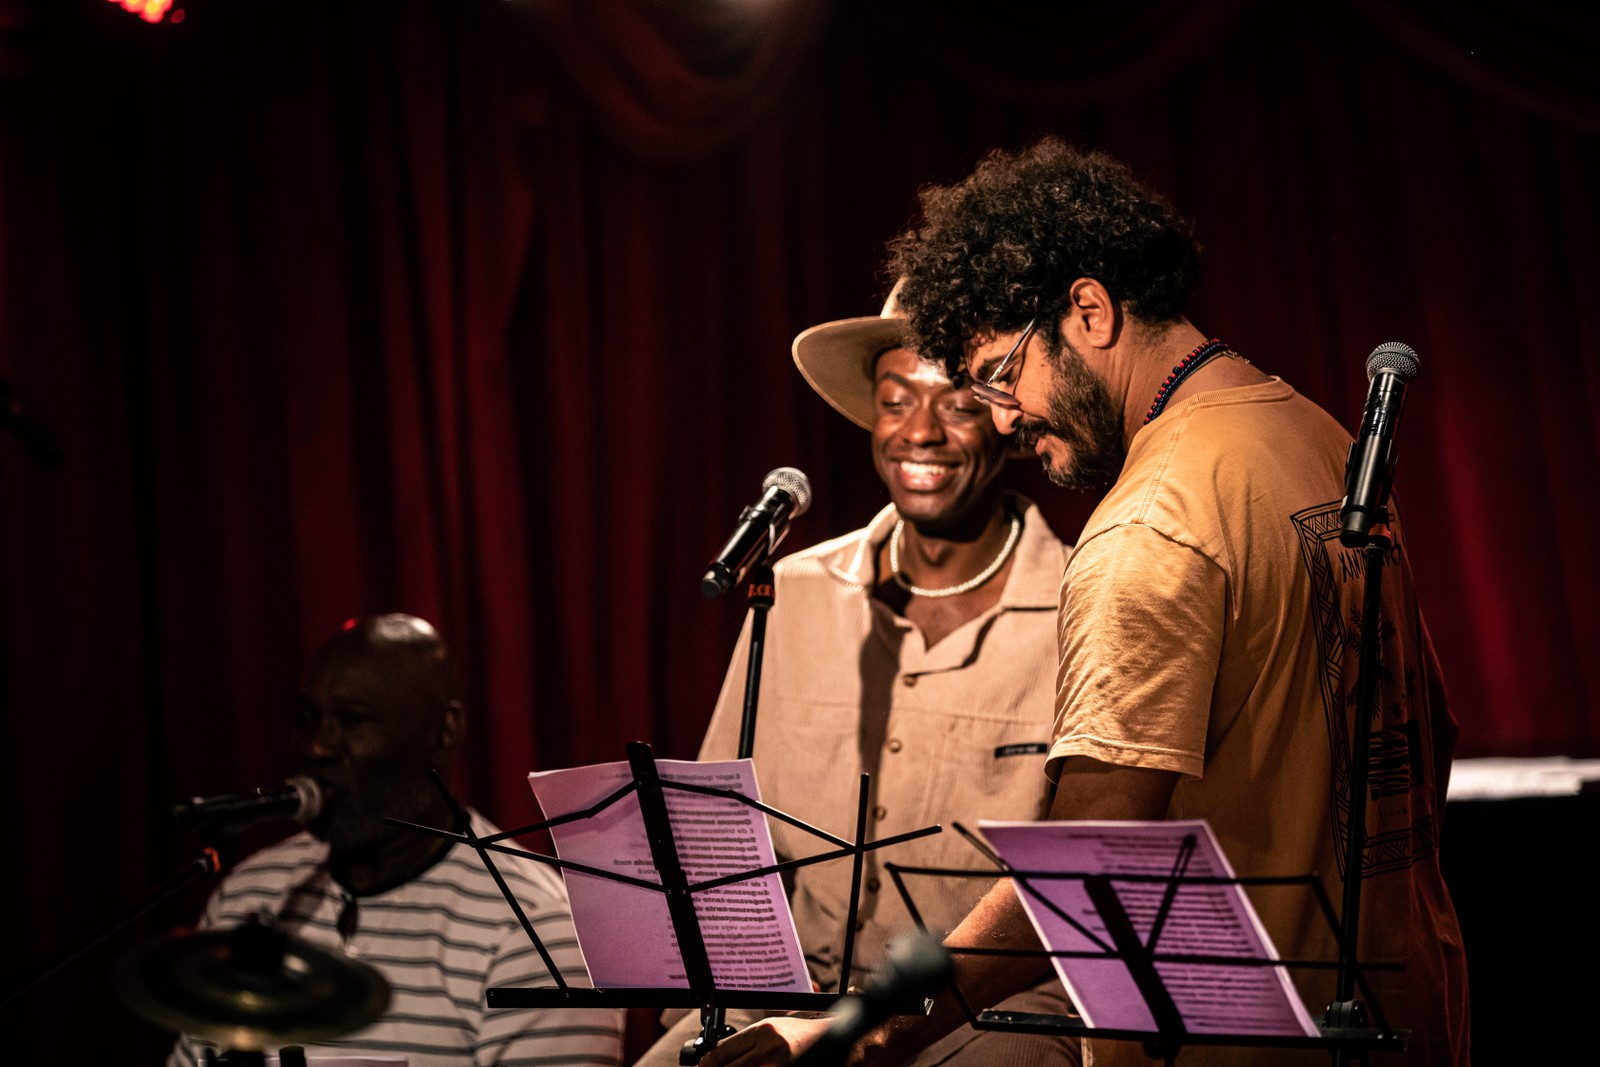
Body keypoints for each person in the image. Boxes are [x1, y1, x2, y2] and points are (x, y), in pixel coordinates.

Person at [702, 140, 1469, 1067]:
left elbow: (1078, 865)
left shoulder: (1148, 524)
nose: (1001, 418)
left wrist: (867, 1027)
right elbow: (1430, 732)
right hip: (1408, 1012)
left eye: (996, 372)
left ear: (1090, 311)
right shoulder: (1315, 435)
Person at [635, 289, 1078, 1066]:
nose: (919, 432)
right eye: (895, 400)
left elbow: (1078, 891)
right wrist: (707, 1012)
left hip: (982, 1016)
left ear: (1008, 425)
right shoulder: (794, 590)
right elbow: (718, 836)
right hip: (785, 996)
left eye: (955, 403)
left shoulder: (1081, 605)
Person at [169, 614, 624, 1067]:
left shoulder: (537, 929)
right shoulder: (249, 894)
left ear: (443, 733)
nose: (316, 748)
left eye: (353, 721)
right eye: (307, 720)